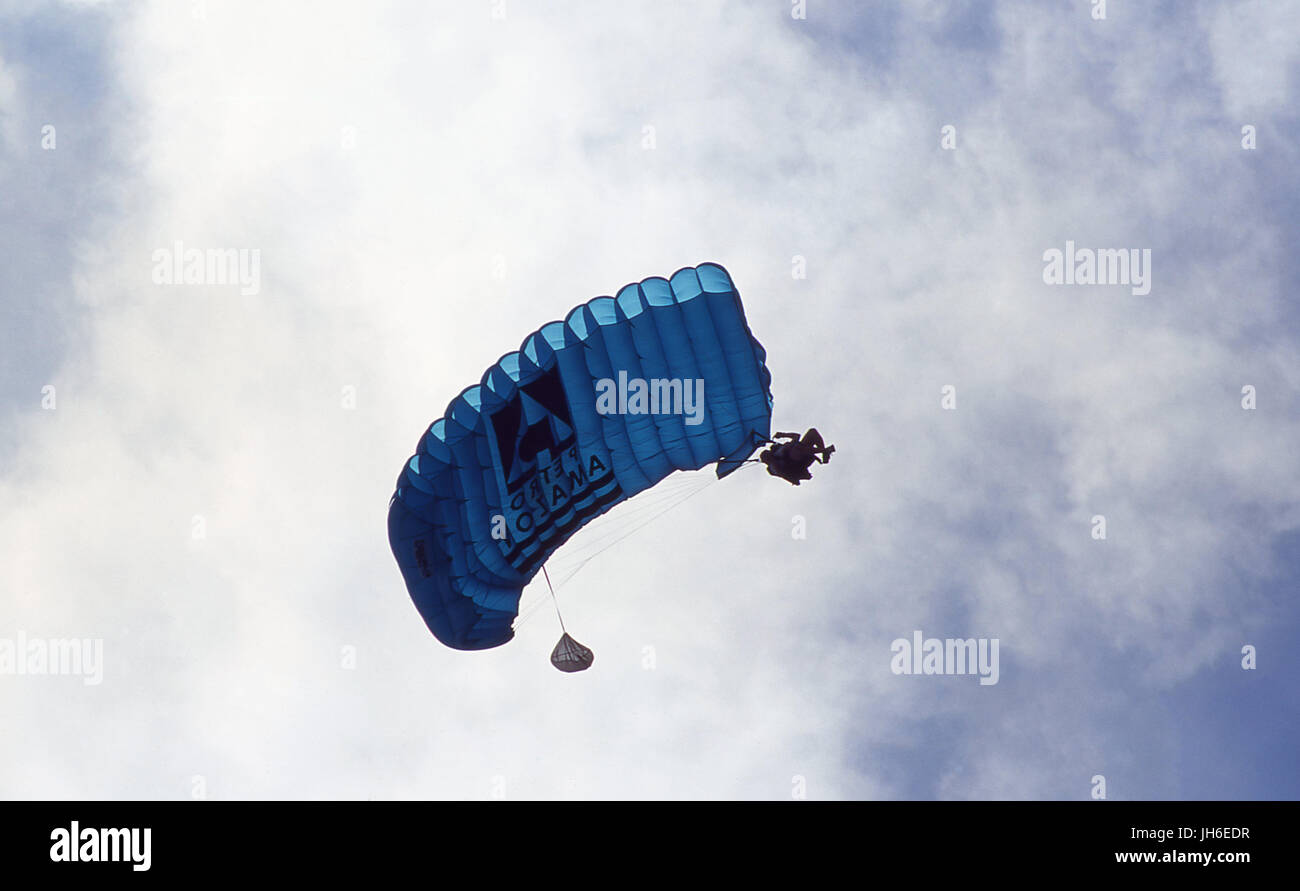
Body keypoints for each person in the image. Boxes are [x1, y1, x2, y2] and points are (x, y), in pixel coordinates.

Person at [759, 428, 834, 485]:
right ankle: (824, 451)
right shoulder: (773, 467)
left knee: (812, 432)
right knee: (796, 449)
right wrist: (793, 480)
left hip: (801, 451)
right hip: (797, 463)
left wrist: (783, 435)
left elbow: (797, 436)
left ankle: (824, 453)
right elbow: (784, 474)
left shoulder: (779, 451)